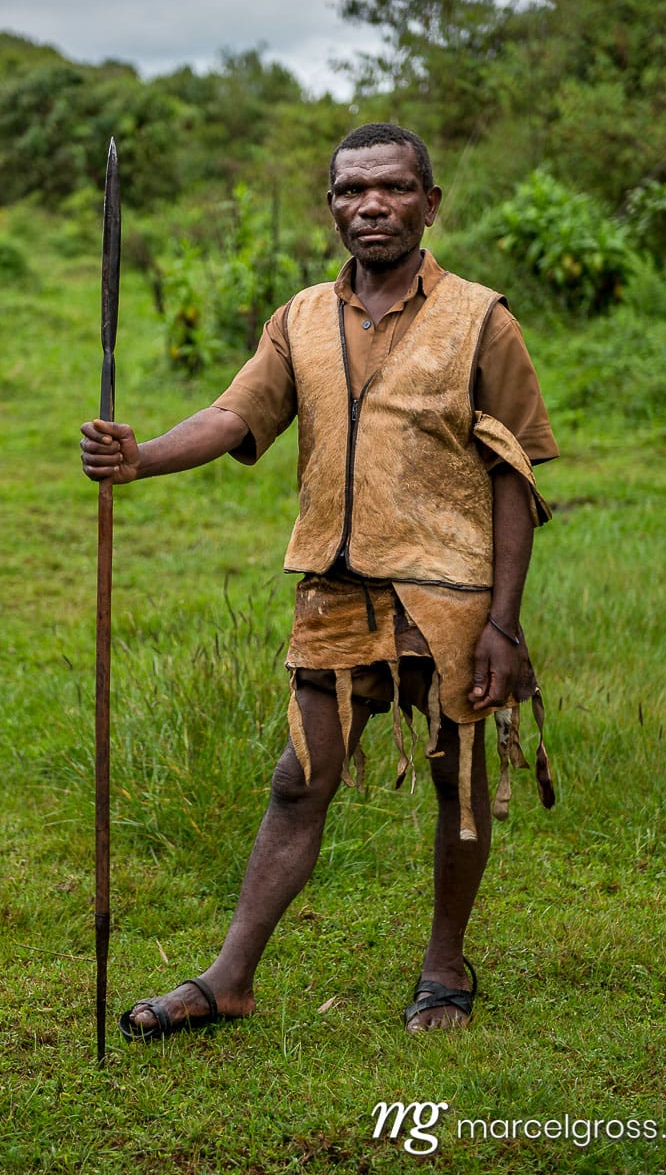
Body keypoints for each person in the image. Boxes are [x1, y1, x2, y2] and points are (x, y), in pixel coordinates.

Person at [81, 122, 558, 1039]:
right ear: (332, 205)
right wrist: (141, 458)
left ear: (429, 202)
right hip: (336, 590)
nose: (369, 204)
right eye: (350, 190)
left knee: (456, 783)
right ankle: (230, 978)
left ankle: (444, 966)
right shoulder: (300, 318)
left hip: (450, 600)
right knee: (300, 782)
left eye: (390, 187)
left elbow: (516, 475)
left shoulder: (481, 320)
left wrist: (505, 623)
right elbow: (233, 414)